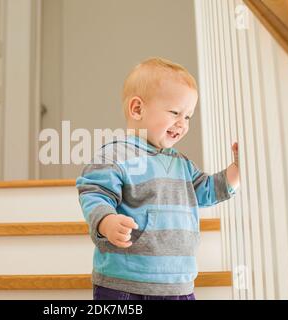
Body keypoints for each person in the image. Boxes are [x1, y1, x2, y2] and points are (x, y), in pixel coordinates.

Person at [76, 57, 240, 300]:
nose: (182, 124)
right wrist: (107, 222)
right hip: (124, 284)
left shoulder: (181, 163)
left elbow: (207, 190)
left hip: (178, 285)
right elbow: (94, 192)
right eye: (175, 112)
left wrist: (237, 168)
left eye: (188, 117)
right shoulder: (116, 154)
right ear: (137, 109)